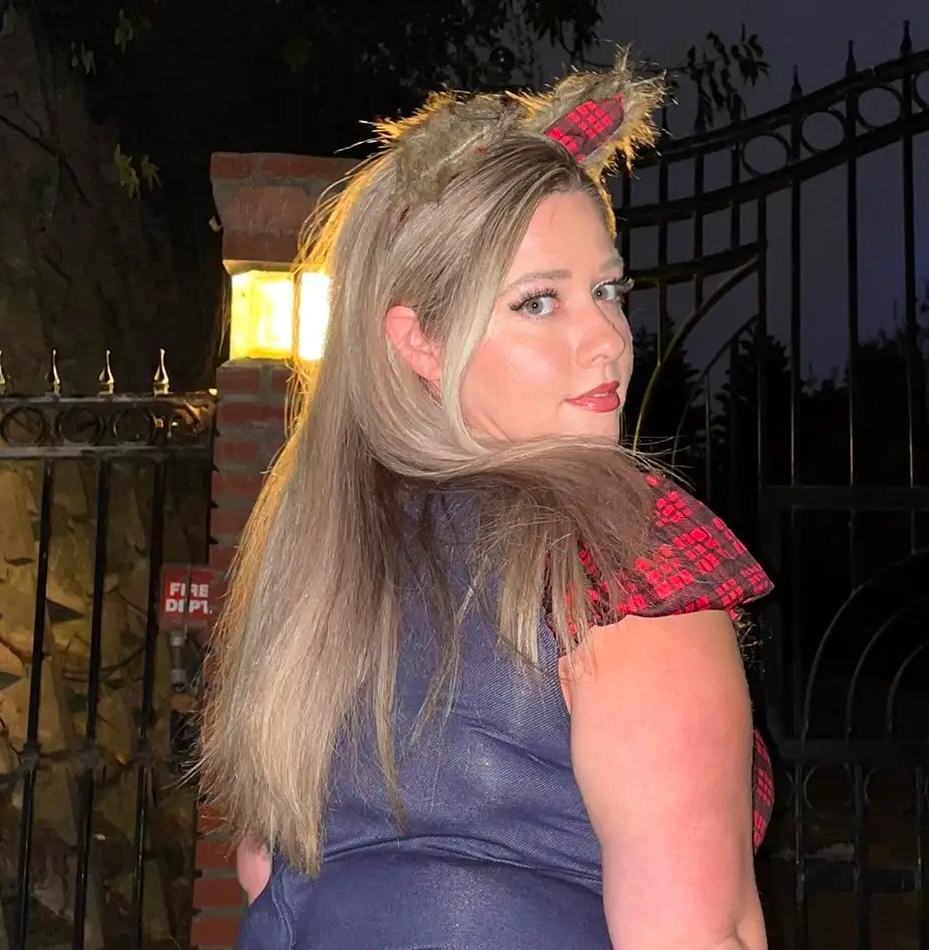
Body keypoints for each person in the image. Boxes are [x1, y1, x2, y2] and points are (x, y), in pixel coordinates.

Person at [200, 52, 775, 950]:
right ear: (420, 342)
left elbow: (261, 869)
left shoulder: (317, 559)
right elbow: (699, 931)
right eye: (539, 303)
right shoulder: (620, 548)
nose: (608, 338)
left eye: (608, 290)